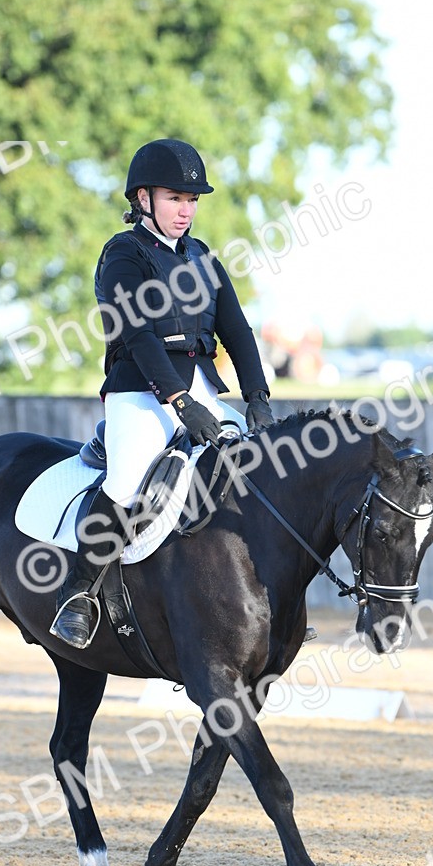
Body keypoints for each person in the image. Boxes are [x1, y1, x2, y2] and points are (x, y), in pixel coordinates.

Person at [50, 138, 274, 648]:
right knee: (128, 483)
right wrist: (179, 402)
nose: (186, 210)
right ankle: (78, 594)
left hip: (202, 389)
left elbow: (236, 330)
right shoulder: (122, 255)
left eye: (192, 200)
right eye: (176, 198)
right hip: (140, 393)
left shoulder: (203, 258)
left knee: (257, 471)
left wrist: (257, 395)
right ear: (144, 198)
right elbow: (138, 337)